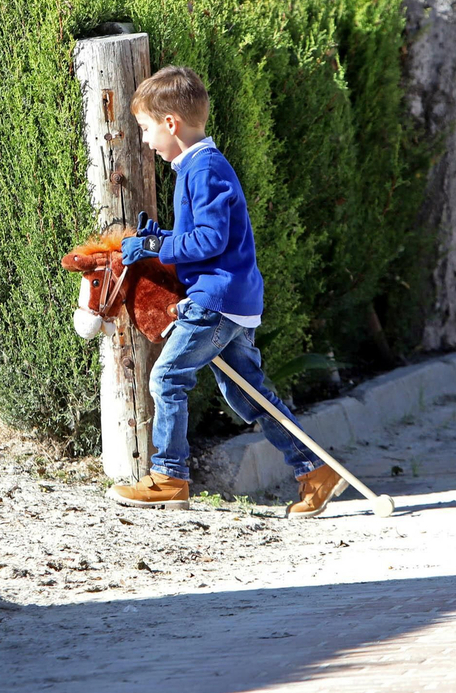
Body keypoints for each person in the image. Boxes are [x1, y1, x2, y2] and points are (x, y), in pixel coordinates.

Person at [110, 66, 345, 518]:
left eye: (145, 129)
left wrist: (157, 245)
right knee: (249, 395)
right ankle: (314, 471)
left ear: (170, 124)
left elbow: (210, 240)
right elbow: (203, 237)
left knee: (167, 378)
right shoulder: (197, 167)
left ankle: (169, 477)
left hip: (217, 300)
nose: (144, 140)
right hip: (231, 299)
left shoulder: (204, 168)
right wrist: (163, 235)